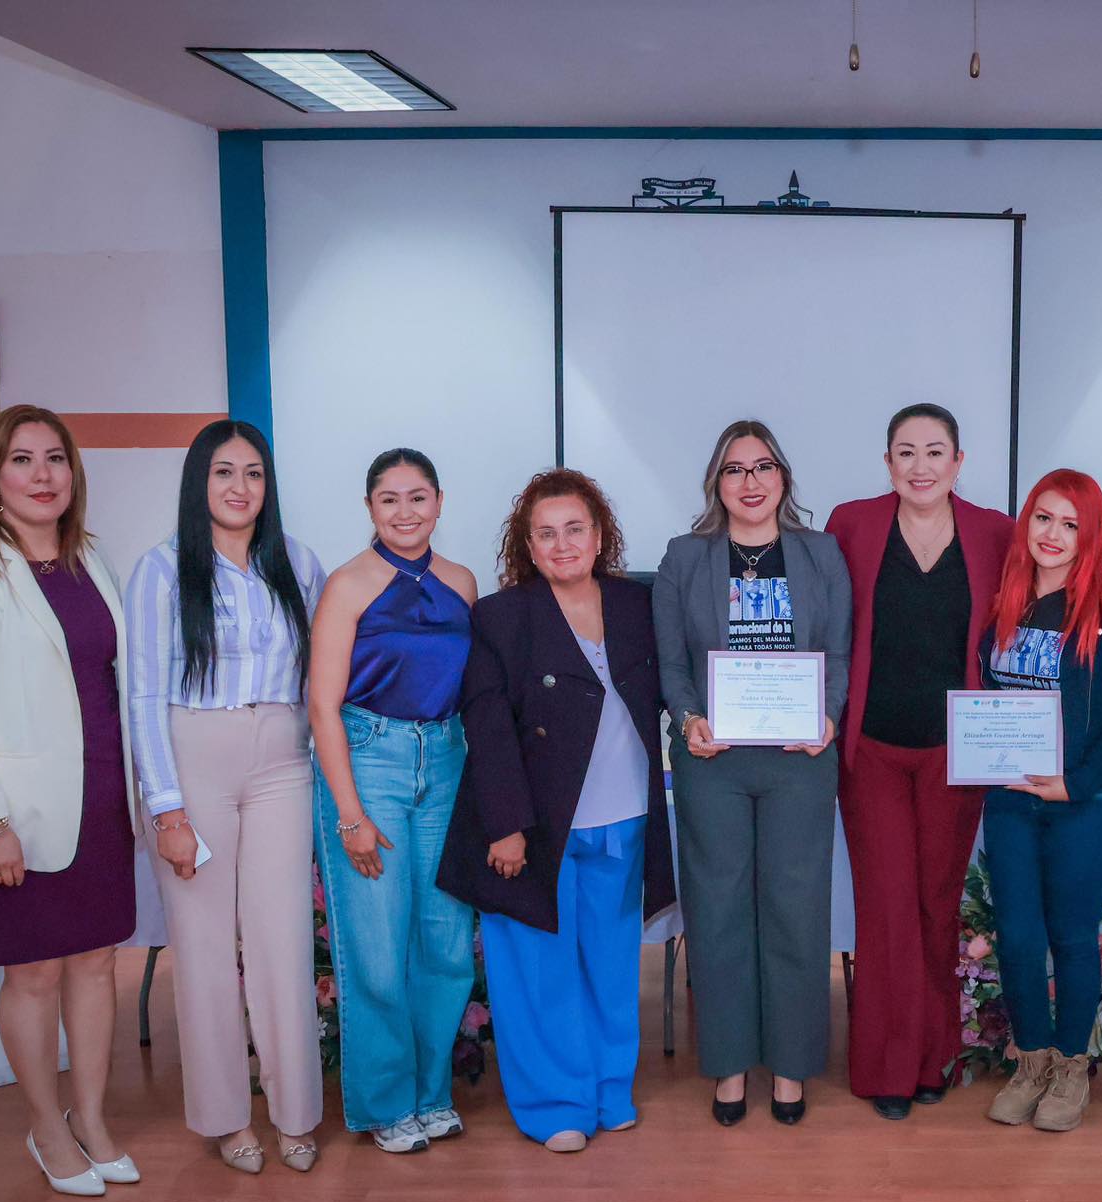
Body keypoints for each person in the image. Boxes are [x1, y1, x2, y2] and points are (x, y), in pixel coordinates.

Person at [0, 404, 140, 1196]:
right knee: (35, 974)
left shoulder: (92, 559)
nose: (43, 475)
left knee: (96, 961)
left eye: (55, 458)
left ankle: (93, 1118)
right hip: (18, 812)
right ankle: (47, 1129)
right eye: (22, 459)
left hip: (103, 795)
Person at [437, 470, 675, 1153]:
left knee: (610, 965)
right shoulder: (501, 617)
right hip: (537, 825)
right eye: (546, 533)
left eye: (575, 529)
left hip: (625, 817)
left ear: (599, 537)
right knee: (537, 971)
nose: (562, 544)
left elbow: (676, 687)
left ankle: (609, 1090)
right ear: (528, 545)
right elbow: (487, 727)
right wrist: (505, 824)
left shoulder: (637, 605)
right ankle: (554, 1106)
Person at [127, 419, 327, 1174]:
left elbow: (318, 679)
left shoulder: (298, 563)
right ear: (198, 483)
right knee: (205, 947)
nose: (240, 487)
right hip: (194, 759)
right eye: (223, 472)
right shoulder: (161, 570)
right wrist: (166, 808)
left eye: (253, 473)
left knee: (283, 941)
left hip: (282, 761)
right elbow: (143, 695)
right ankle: (224, 1118)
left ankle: (295, 1113)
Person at [654, 420, 851, 1126]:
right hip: (713, 760)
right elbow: (671, 660)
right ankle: (730, 1063)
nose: (750, 481)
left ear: (783, 477)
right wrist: (688, 718)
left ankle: (791, 1067)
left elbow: (839, 652)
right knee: (719, 911)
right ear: (717, 482)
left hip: (801, 759)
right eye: (735, 469)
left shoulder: (821, 553)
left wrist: (829, 715)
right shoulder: (685, 557)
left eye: (763, 466)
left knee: (797, 910)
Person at [825, 403, 1013, 1120]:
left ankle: (936, 1057)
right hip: (871, 751)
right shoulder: (851, 525)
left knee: (938, 904)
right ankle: (886, 1068)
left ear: (959, 463)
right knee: (887, 908)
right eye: (906, 452)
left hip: (954, 755)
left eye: (935, 452)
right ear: (887, 463)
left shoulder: (996, 532)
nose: (921, 466)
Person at [309, 449, 478, 1154]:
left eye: (417, 497)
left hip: (446, 761)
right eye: (389, 499)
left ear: (439, 501)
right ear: (369, 507)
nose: (405, 512)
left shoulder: (462, 582)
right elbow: (321, 706)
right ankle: (385, 1104)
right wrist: (349, 814)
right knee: (376, 948)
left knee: (445, 943)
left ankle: (432, 1094)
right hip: (369, 759)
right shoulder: (347, 585)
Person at [977, 469, 1102, 1133]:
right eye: (1043, 518)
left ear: (1090, 533)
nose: (1053, 534)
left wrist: (1075, 781)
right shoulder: (1008, 592)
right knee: (1019, 937)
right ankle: (1031, 1064)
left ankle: (1072, 1068)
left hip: (1086, 801)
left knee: (1073, 937)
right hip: (1010, 798)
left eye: (1070, 524)